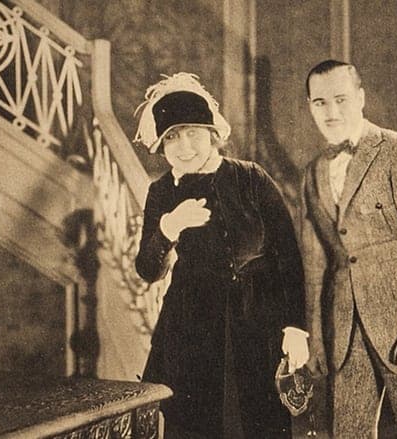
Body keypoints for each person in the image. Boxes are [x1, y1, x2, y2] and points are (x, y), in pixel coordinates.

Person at [133, 72, 308, 438]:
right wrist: (169, 228)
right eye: (172, 137)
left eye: (192, 133)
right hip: (191, 329)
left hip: (259, 323)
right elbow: (147, 270)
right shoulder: (161, 192)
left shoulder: (251, 178)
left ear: (212, 133)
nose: (184, 147)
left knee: (261, 425)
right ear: (161, 145)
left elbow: (289, 256)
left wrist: (295, 328)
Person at [299, 60, 397, 438]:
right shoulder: (313, 173)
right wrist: (317, 339)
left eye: (341, 99)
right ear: (310, 107)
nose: (331, 111)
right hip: (344, 334)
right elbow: (315, 265)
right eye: (320, 102)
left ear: (361, 98)